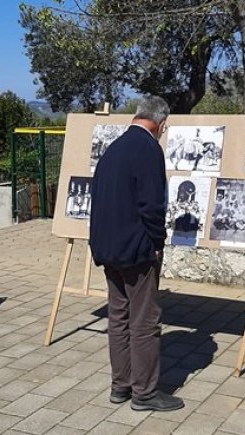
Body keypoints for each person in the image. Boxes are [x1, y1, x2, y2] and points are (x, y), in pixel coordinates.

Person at [89, 95, 184, 412]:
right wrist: (157, 242)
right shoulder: (148, 149)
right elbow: (152, 205)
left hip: (108, 248)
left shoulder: (113, 148)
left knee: (118, 317)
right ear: (162, 123)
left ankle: (121, 385)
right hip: (137, 250)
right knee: (145, 321)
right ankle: (144, 393)